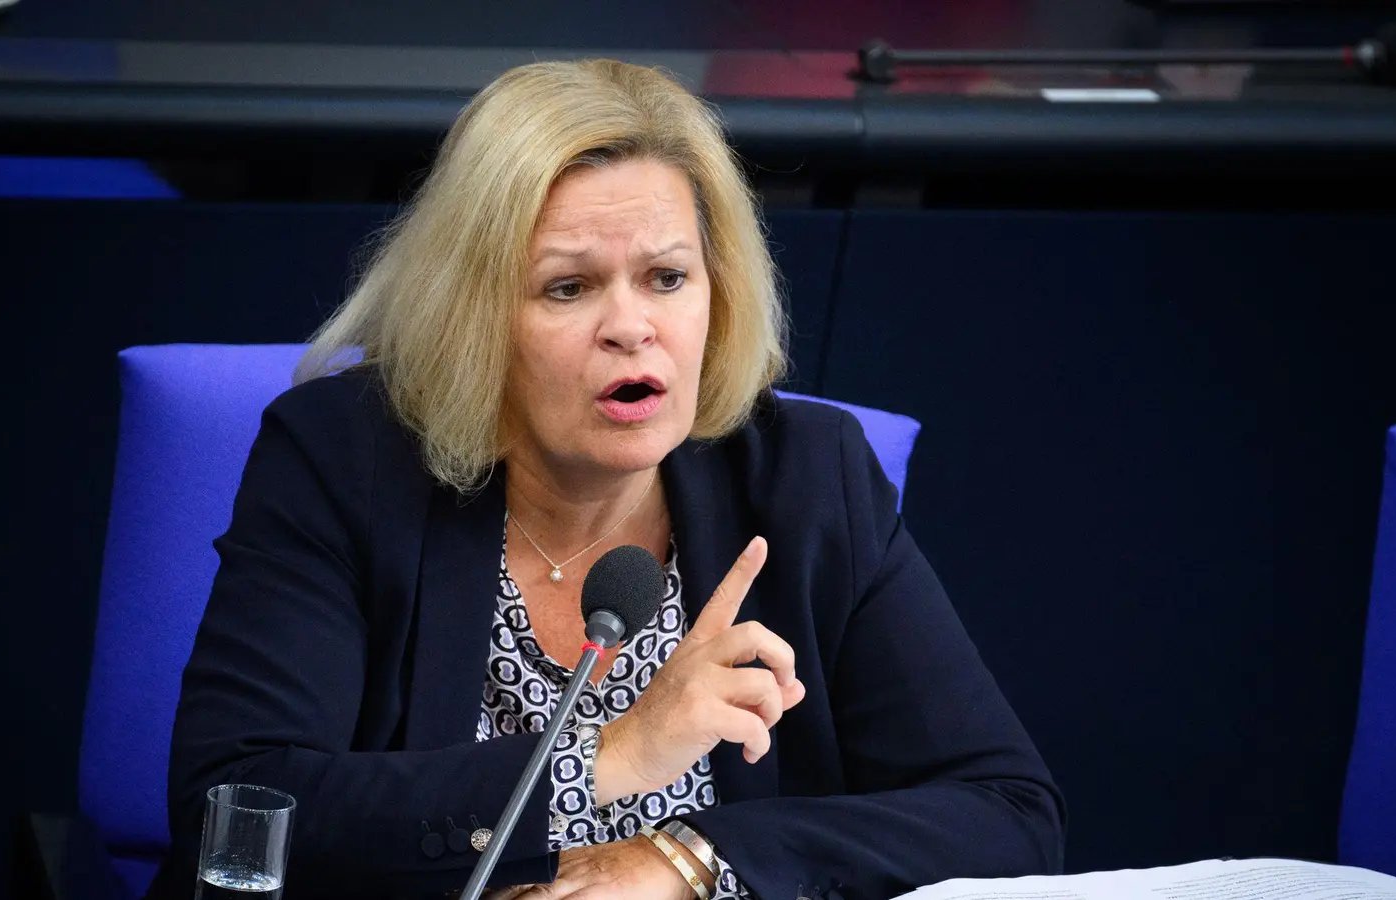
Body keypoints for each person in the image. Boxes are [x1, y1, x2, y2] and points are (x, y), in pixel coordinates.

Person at [149, 59, 1064, 900]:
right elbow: (236, 805)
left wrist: (689, 859)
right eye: (567, 288)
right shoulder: (346, 462)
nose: (632, 328)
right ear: (474, 318)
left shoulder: (807, 477)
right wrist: (606, 757)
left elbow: (1007, 814)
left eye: (667, 277)